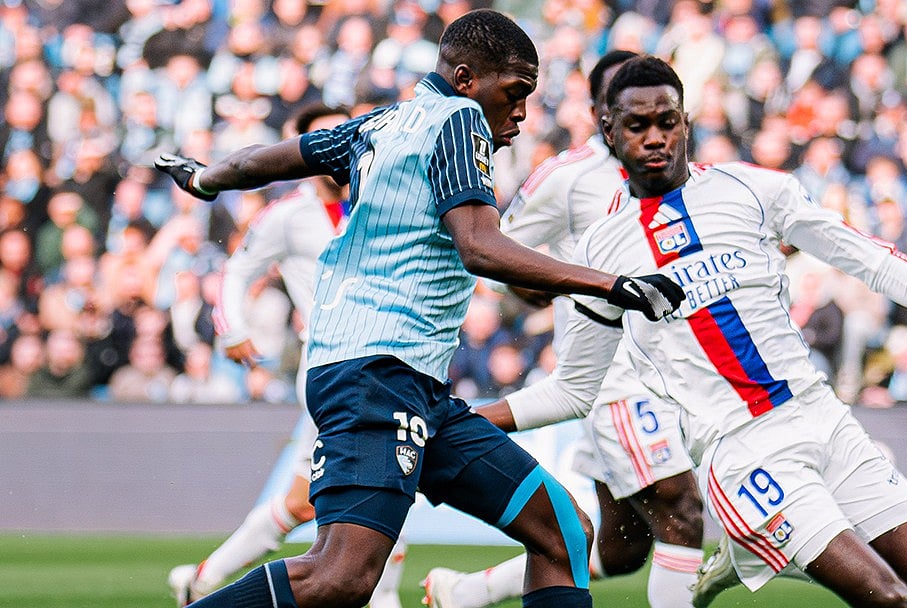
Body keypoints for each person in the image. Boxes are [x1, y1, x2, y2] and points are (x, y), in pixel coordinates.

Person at [473, 56, 907, 608]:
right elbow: (574, 390)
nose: (654, 137)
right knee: (888, 600)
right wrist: (462, 421)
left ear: (686, 122)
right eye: (636, 125)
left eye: (667, 121)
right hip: (742, 450)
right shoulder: (599, 252)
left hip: (821, 416)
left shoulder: (754, 190)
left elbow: (869, 258)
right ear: (608, 131)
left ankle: (743, 554)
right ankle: (750, 539)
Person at [155, 12, 684, 608]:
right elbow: (480, 246)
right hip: (376, 374)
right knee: (341, 577)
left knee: (561, 529)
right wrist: (612, 284)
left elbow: (270, 159)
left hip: (408, 385)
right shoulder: (461, 123)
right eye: (514, 94)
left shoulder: (385, 123)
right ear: (466, 79)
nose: (520, 114)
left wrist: (206, 178)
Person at [422, 50, 705, 608]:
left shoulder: (677, 176)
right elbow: (502, 254)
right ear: (604, 111)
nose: (645, 125)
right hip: (614, 373)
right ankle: (442, 437)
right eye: (626, 108)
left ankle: (467, 593)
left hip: (665, 371)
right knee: (682, 512)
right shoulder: (569, 177)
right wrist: (578, 290)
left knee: (623, 548)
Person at [166, 104, 407, 607]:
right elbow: (236, 270)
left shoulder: (379, 199)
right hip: (337, 371)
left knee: (304, 501)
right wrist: (232, 329)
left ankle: (204, 578)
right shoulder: (288, 216)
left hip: (383, 364)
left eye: (341, 133)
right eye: (319, 139)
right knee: (388, 482)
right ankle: (385, 601)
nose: (334, 148)